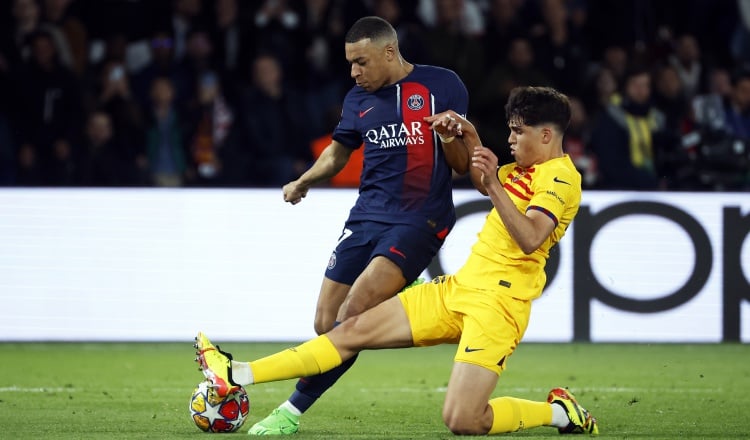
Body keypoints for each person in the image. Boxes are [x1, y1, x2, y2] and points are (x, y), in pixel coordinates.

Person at [195, 86, 598, 436]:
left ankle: (558, 413)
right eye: (510, 129)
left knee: (463, 419)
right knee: (349, 329)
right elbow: (481, 177)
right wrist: (469, 134)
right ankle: (236, 373)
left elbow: (529, 238)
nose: (511, 139)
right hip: (457, 290)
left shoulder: (561, 179)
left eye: (518, 131)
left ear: (546, 135)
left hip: (498, 307)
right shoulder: (523, 169)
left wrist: (493, 183)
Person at [243, 15, 472, 435]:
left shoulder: (443, 85)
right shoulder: (356, 101)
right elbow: (336, 154)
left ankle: (289, 413)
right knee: (325, 323)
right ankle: (401, 293)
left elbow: (459, 165)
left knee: (351, 318)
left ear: (389, 51)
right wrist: (303, 181)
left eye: (361, 62)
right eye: (350, 63)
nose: (354, 72)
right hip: (366, 217)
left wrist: (448, 137)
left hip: (420, 217)